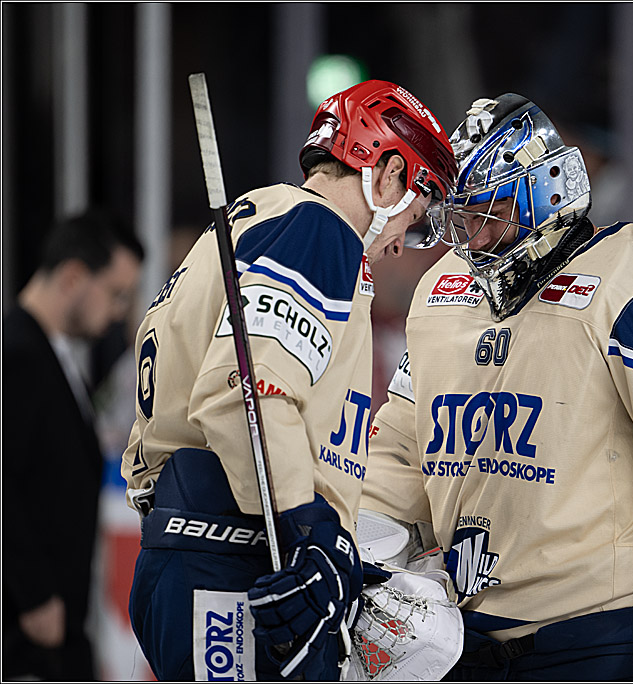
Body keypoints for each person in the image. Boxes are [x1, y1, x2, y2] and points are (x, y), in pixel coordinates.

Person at [358, 94, 633, 680]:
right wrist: (364, 558)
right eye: (459, 218)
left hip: (599, 643)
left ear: (549, 190)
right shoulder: (442, 289)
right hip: (463, 640)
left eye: (491, 213)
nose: (474, 237)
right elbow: (402, 447)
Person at [120, 80, 456, 681]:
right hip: (235, 554)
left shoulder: (259, 220)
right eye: (420, 212)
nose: (407, 241)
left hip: (204, 543)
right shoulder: (318, 231)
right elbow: (244, 390)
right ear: (386, 174)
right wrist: (310, 528)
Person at [2, 211, 144, 681]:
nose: (120, 310)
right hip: (26, 636)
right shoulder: (17, 355)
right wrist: (35, 597)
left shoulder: (53, 354)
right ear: (73, 277)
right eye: (117, 294)